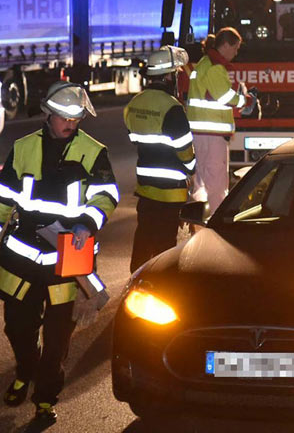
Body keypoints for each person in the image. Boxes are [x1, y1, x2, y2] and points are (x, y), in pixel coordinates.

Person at [0, 82, 117, 425]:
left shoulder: (93, 151)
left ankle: (45, 398)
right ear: (48, 114)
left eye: (76, 117)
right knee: (18, 330)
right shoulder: (22, 148)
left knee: (57, 340)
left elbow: (106, 195)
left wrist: (86, 223)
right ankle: (24, 371)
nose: (70, 124)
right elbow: (5, 198)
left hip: (67, 259)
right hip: (21, 258)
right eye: (64, 117)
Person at [124, 46, 196, 273]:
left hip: (145, 187)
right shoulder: (172, 108)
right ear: (168, 76)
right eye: (175, 74)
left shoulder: (134, 104)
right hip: (170, 191)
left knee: (144, 236)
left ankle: (136, 279)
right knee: (165, 246)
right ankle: (161, 286)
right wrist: (191, 167)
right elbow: (185, 149)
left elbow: (135, 138)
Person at [185, 27, 248, 214]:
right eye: (235, 48)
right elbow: (225, 97)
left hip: (200, 133)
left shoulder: (204, 63)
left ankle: (199, 219)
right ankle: (217, 223)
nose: (236, 53)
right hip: (213, 135)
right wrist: (246, 100)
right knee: (217, 184)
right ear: (226, 45)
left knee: (202, 182)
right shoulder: (214, 67)